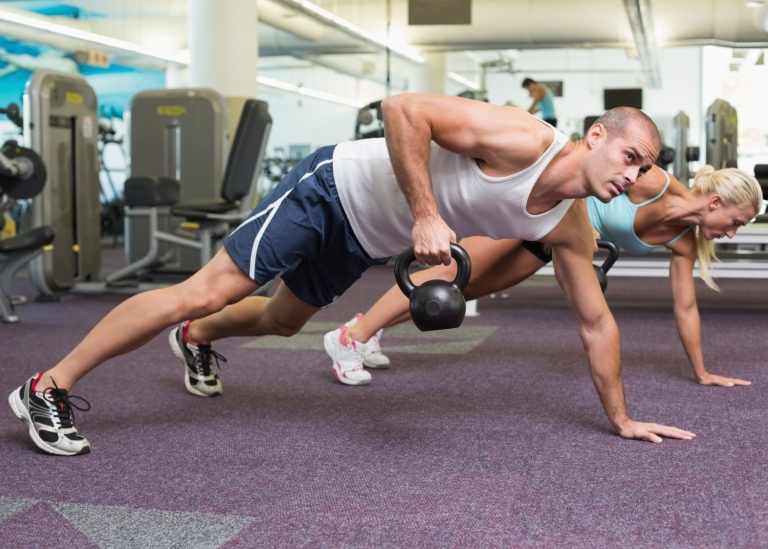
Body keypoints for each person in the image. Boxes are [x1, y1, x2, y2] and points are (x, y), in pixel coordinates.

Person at [8, 93, 695, 457]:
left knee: (283, 320)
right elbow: (403, 109)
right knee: (209, 287)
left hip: (366, 237)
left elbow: (595, 322)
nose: (632, 176)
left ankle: (197, 337)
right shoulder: (523, 139)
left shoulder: (567, 225)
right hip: (332, 189)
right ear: (596, 136)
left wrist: (622, 417)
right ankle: (47, 386)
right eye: (628, 156)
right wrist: (426, 214)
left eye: (643, 169)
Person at [324, 164, 763, 389]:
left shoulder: (685, 242)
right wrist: (581, 218)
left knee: (461, 293)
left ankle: (368, 329)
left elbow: (685, 308)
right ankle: (349, 338)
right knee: (453, 273)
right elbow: (589, 170)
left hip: (554, 244)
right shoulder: (655, 183)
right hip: (540, 213)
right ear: (716, 202)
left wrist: (702, 372)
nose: (732, 233)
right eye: (736, 222)